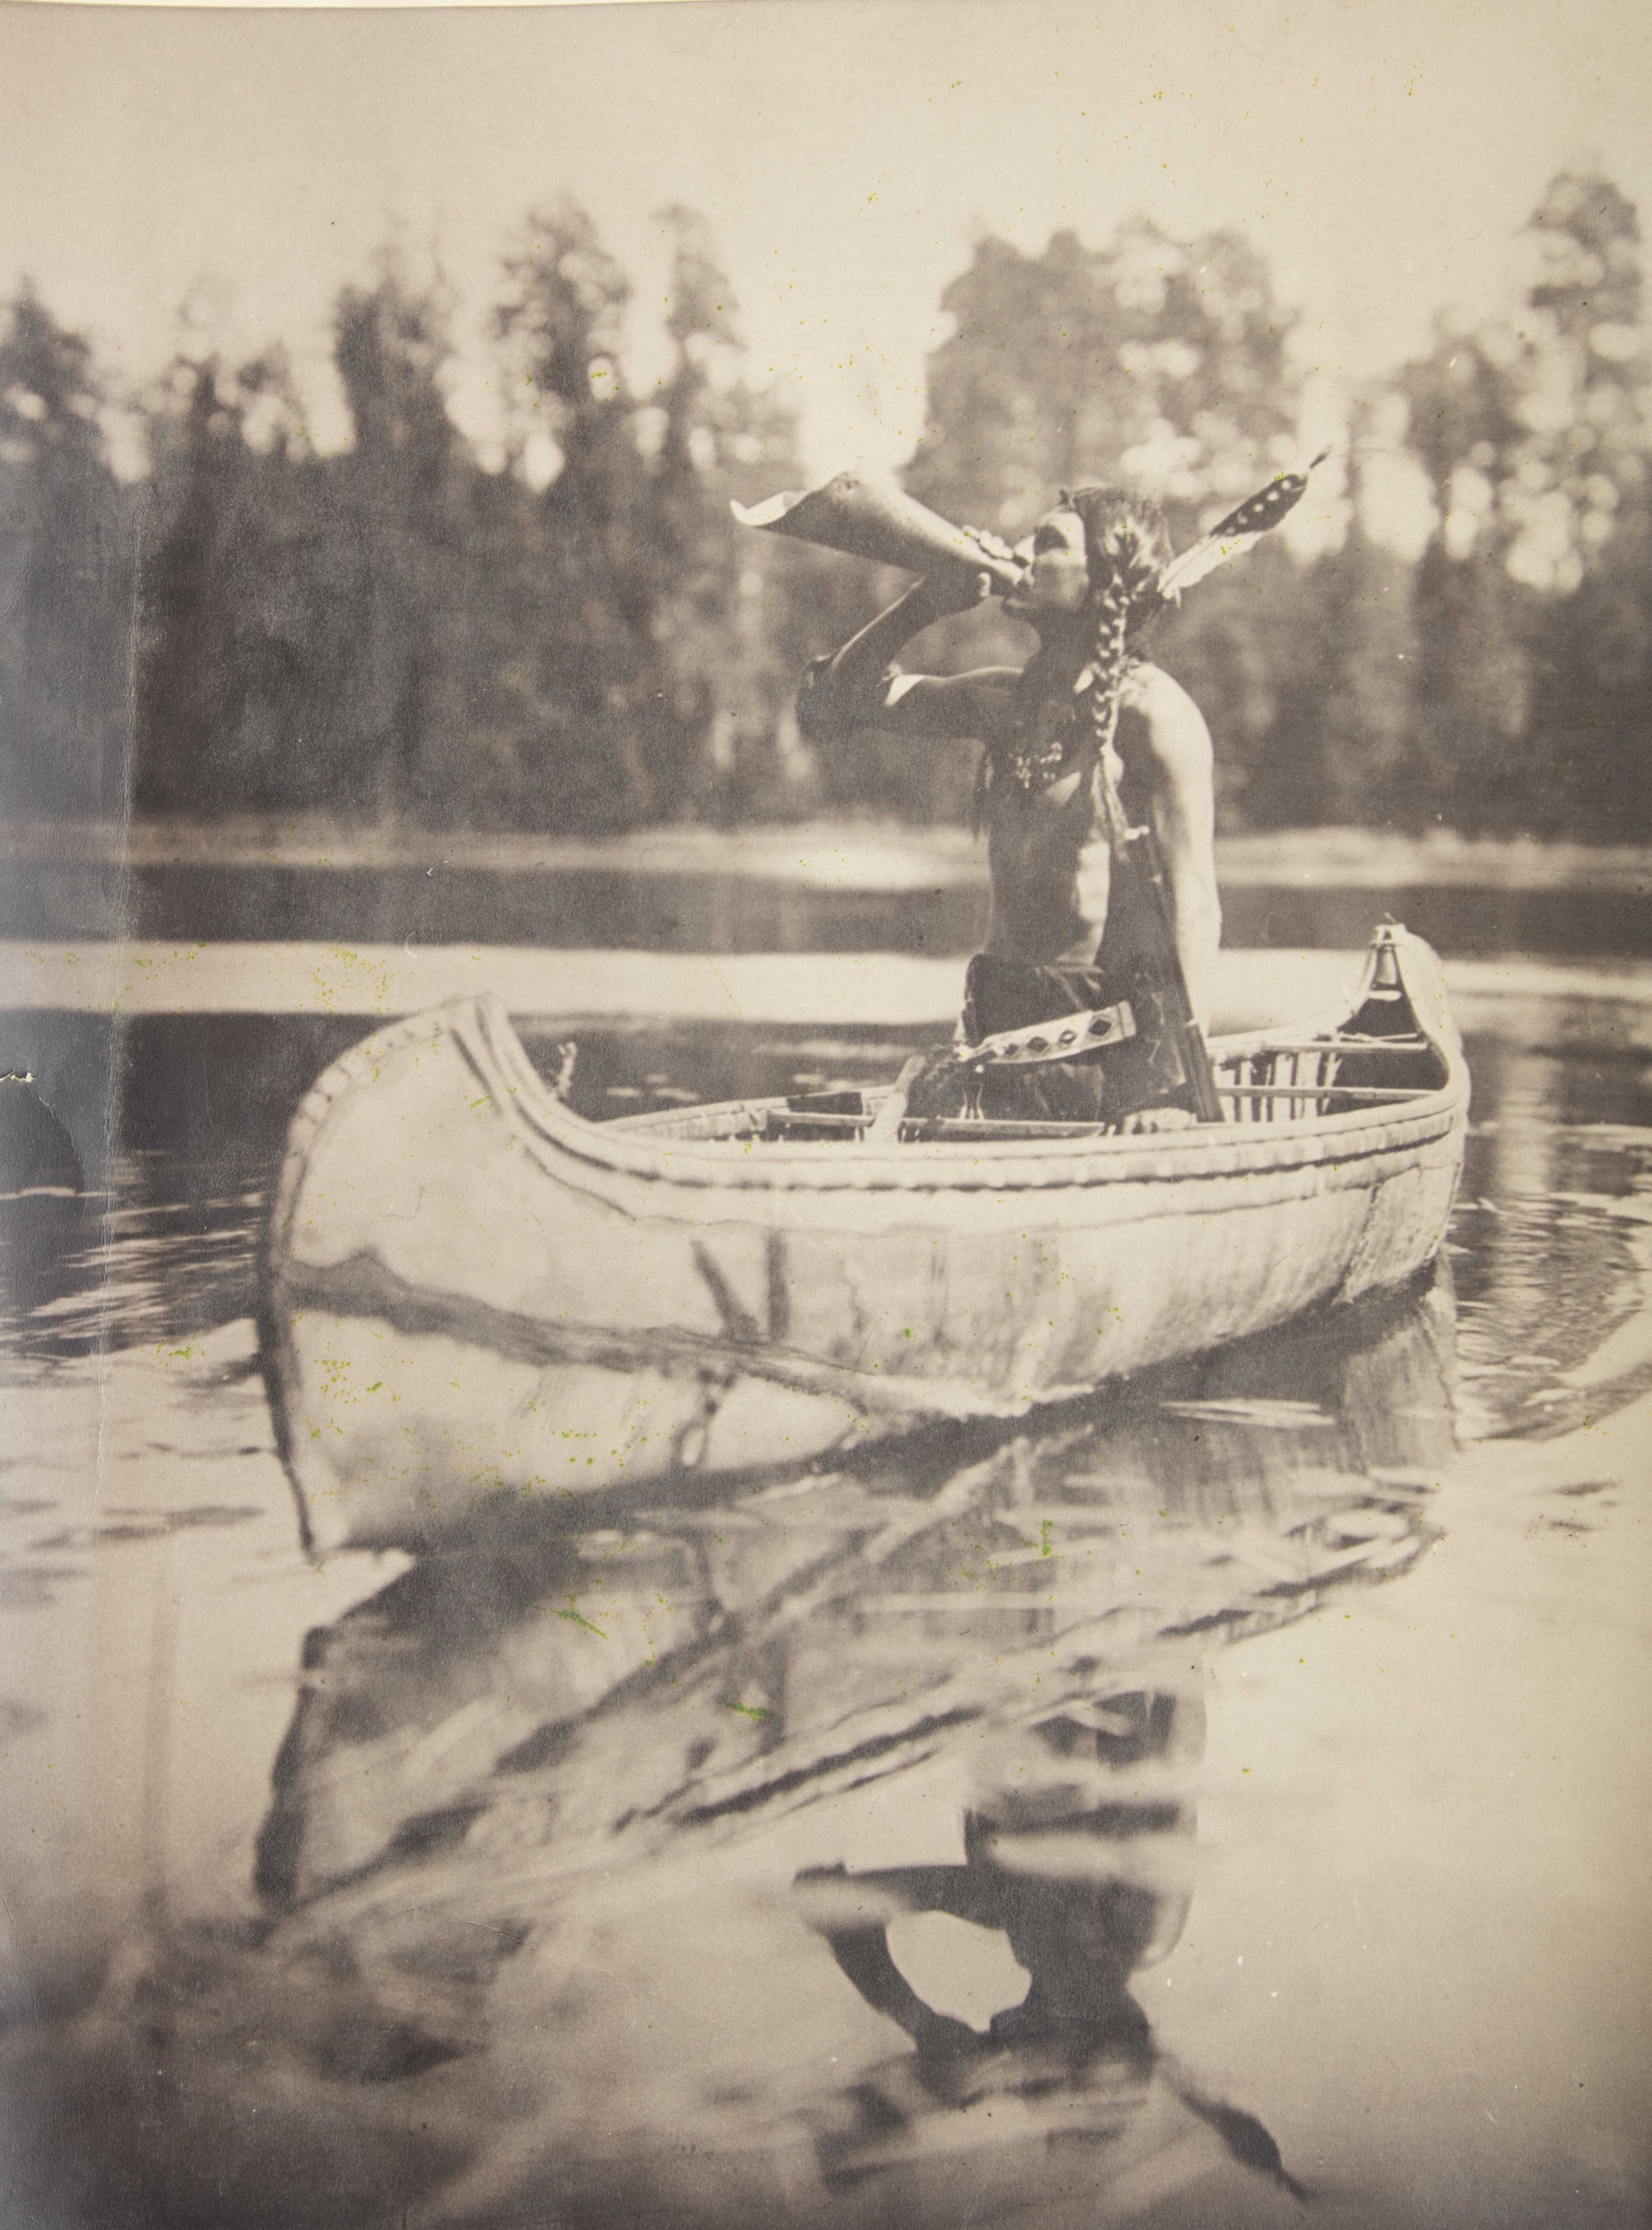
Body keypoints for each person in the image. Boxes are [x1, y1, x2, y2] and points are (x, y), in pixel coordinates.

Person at [796, 485, 1222, 1131]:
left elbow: (1196, 906)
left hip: (1103, 1056)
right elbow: (830, 706)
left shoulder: (1152, 715)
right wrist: (923, 604)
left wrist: (1172, 1089)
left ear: (1104, 580)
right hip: (992, 1027)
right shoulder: (1004, 702)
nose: (1019, 552)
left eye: (1048, 543)